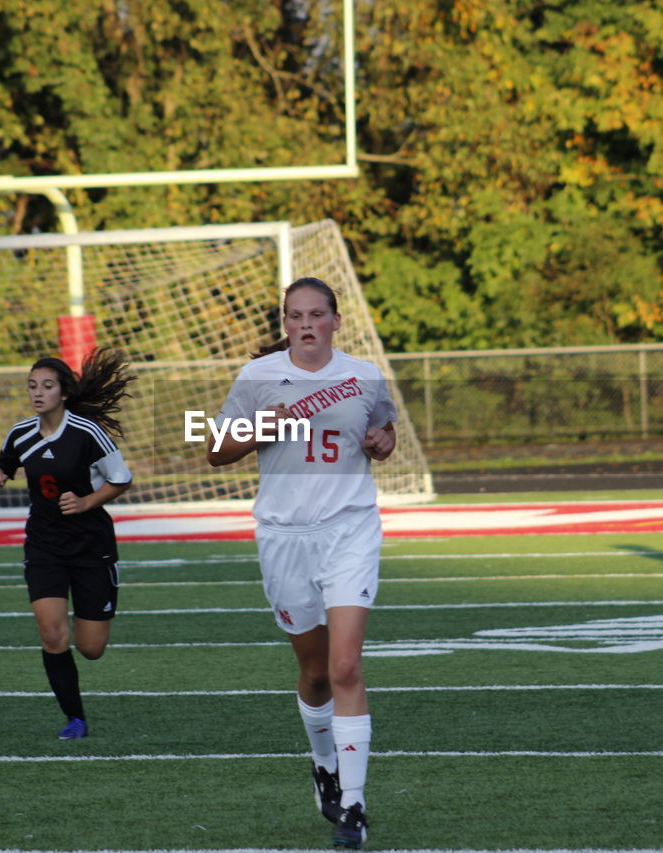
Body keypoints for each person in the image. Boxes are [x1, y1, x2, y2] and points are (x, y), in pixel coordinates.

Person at [207, 277, 396, 849]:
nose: (307, 324)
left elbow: (383, 428)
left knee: (344, 668)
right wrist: (264, 425)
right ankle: (323, 765)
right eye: (296, 316)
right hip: (285, 535)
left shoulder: (363, 373)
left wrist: (383, 441)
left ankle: (356, 804)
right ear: (284, 323)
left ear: (337, 321)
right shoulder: (258, 377)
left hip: (349, 528)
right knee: (314, 673)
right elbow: (214, 450)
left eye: (318, 314)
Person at [0, 347, 134, 739]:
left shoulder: (86, 432)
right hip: (44, 545)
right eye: (32, 386)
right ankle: (75, 718)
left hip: (90, 545)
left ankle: (78, 702)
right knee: (52, 634)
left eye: (47, 386)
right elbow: (5, 459)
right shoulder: (21, 432)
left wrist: (86, 501)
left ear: (63, 393)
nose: (38, 393)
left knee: (91, 648)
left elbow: (121, 479)